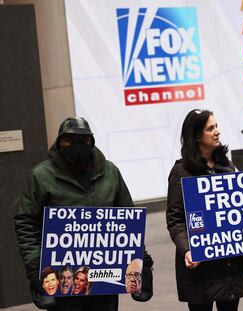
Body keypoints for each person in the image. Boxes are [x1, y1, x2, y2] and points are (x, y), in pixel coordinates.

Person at [14, 116, 152, 310]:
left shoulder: (110, 172)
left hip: (104, 276)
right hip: (63, 277)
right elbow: (26, 223)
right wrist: (36, 267)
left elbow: (128, 221)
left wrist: (142, 262)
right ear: (59, 142)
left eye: (83, 140)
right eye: (70, 140)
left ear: (91, 142)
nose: (77, 146)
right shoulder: (41, 176)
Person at [166, 109, 243, 311]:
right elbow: (175, 218)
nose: (217, 132)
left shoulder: (228, 166)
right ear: (196, 136)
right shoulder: (181, 172)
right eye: (210, 128)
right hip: (199, 267)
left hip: (229, 264)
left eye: (216, 126)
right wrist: (186, 249)